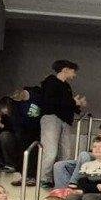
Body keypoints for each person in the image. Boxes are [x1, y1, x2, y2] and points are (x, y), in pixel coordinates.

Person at [34, 60, 82, 188]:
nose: (74, 74)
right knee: (50, 150)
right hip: (52, 117)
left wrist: (77, 104)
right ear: (65, 69)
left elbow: (67, 104)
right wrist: (73, 102)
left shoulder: (66, 86)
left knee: (66, 152)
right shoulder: (51, 82)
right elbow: (50, 101)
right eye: (73, 71)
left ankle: (60, 179)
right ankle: (44, 178)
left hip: (65, 120)